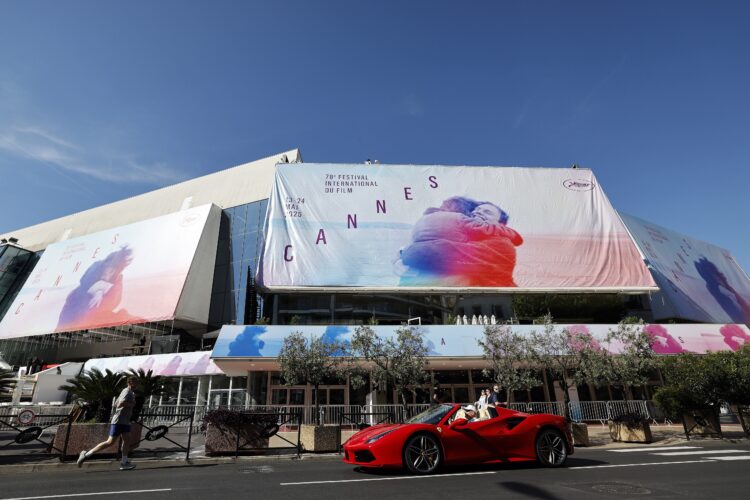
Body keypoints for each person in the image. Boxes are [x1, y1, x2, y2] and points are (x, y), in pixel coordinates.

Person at [77, 376, 137, 470]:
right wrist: (131, 404)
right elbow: (120, 404)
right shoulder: (126, 391)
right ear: (130, 382)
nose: (137, 384)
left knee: (127, 440)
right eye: (135, 382)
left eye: (137, 382)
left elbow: (115, 404)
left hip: (125, 421)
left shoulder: (131, 393)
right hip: (119, 421)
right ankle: (86, 454)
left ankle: (124, 462)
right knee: (110, 442)